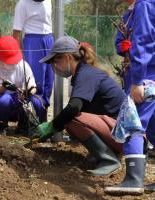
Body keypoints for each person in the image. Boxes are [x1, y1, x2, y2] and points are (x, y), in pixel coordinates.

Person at [33, 36, 125, 176]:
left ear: (68, 57)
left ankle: (109, 160)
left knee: (73, 119)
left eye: (55, 61)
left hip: (126, 136)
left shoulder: (86, 74)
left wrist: (52, 126)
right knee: (71, 119)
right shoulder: (84, 73)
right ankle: (107, 153)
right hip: (119, 132)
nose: (54, 67)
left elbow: (74, 108)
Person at [105, 0, 155, 195]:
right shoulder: (131, 12)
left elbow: (144, 41)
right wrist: (123, 47)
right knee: (153, 127)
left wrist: (138, 80)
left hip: (146, 75)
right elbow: (123, 42)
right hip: (144, 71)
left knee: (133, 122)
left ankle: (133, 180)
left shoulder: (145, 4)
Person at [0, 36, 44, 135]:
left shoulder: (22, 64)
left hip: (18, 99)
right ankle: (1, 125)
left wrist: (27, 93)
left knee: (36, 102)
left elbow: (33, 87)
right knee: (4, 101)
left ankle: (24, 126)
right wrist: (7, 86)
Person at [12, 0, 54, 122]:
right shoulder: (22, 4)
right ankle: (29, 120)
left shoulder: (48, 2)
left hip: (49, 39)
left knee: (49, 81)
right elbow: (16, 33)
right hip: (33, 41)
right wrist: (18, 55)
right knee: (35, 81)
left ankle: (43, 115)